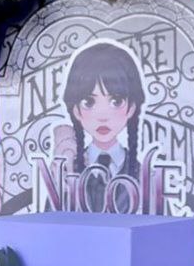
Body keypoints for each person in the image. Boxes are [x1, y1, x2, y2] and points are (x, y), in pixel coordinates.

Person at [53, 41, 145, 211]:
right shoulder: (67, 170)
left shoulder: (146, 176)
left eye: (116, 101)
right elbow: (49, 220)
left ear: (131, 108)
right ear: (76, 110)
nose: (103, 116)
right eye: (89, 102)